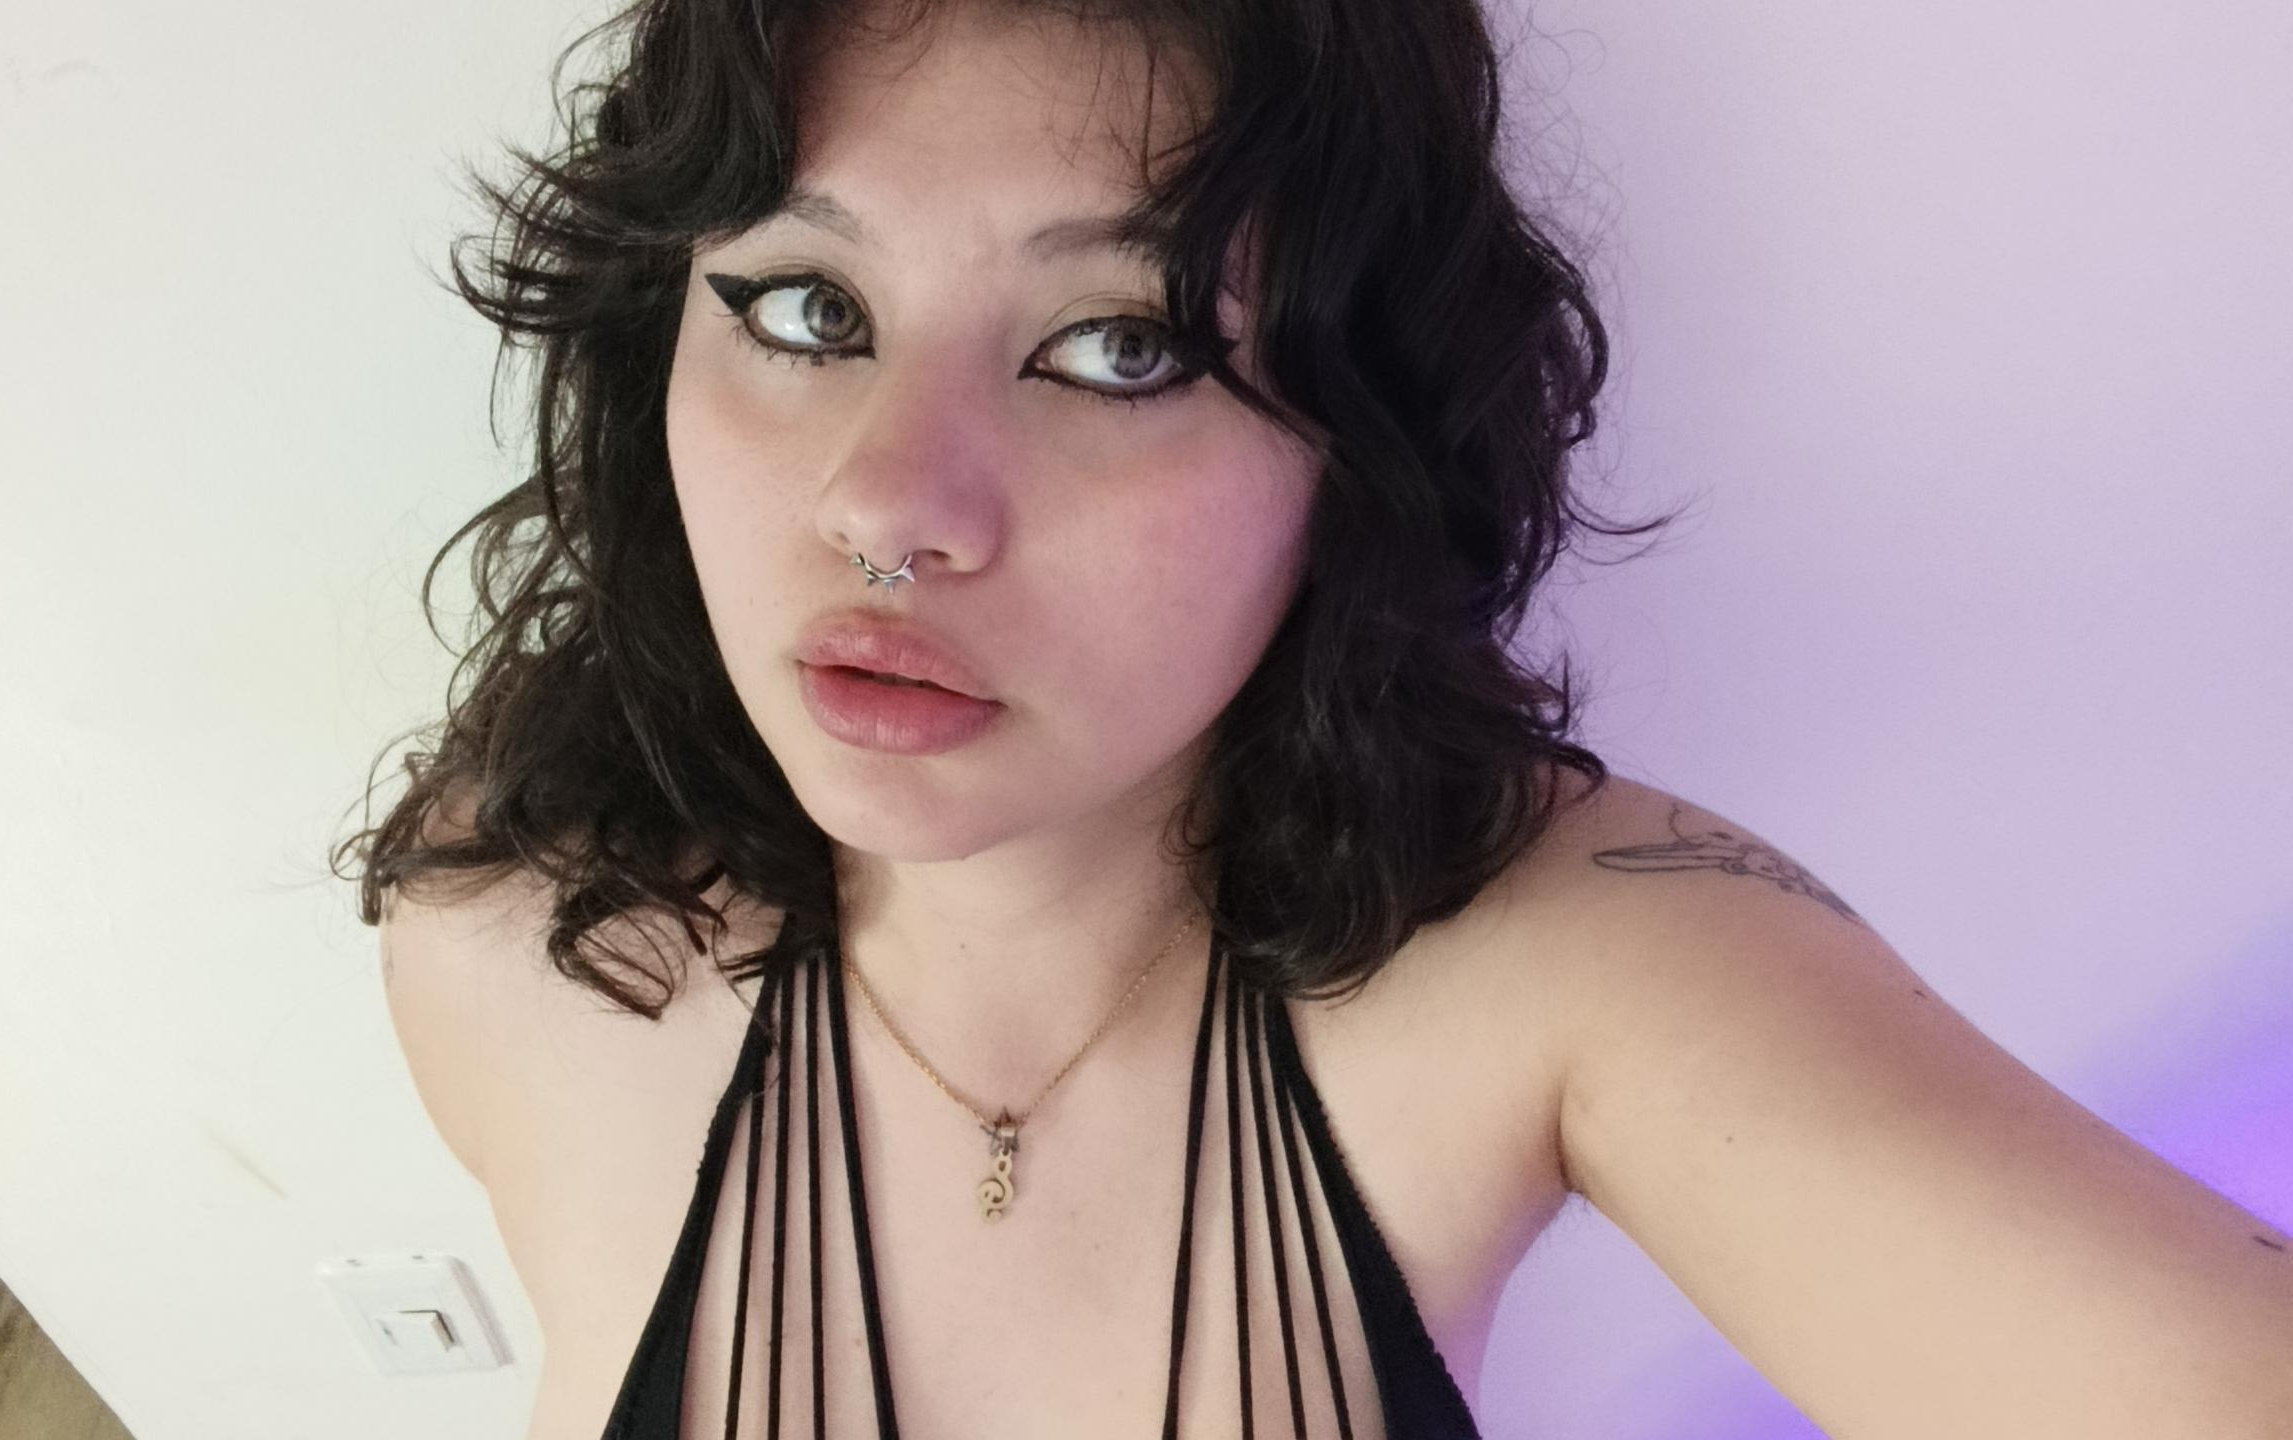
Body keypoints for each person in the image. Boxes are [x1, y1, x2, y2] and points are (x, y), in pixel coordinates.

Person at [342, 0, 2293, 1435]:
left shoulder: (1562, 956)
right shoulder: (508, 937)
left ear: (1355, 448)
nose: (888, 505)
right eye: (801, 308)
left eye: (1118, 347)